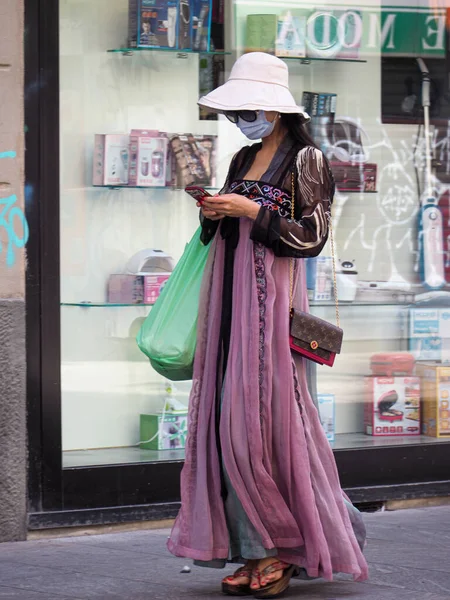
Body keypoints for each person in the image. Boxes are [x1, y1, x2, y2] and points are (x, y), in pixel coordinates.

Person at [167, 52, 369, 599]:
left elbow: (312, 237)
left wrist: (251, 210)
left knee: (263, 427)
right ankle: (254, 549)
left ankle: (284, 548)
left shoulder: (308, 160)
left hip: (273, 309)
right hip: (228, 305)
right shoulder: (243, 158)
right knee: (225, 426)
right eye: (235, 112)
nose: (240, 120)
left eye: (248, 109)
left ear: (275, 109)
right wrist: (213, 213)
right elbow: (226, 233)